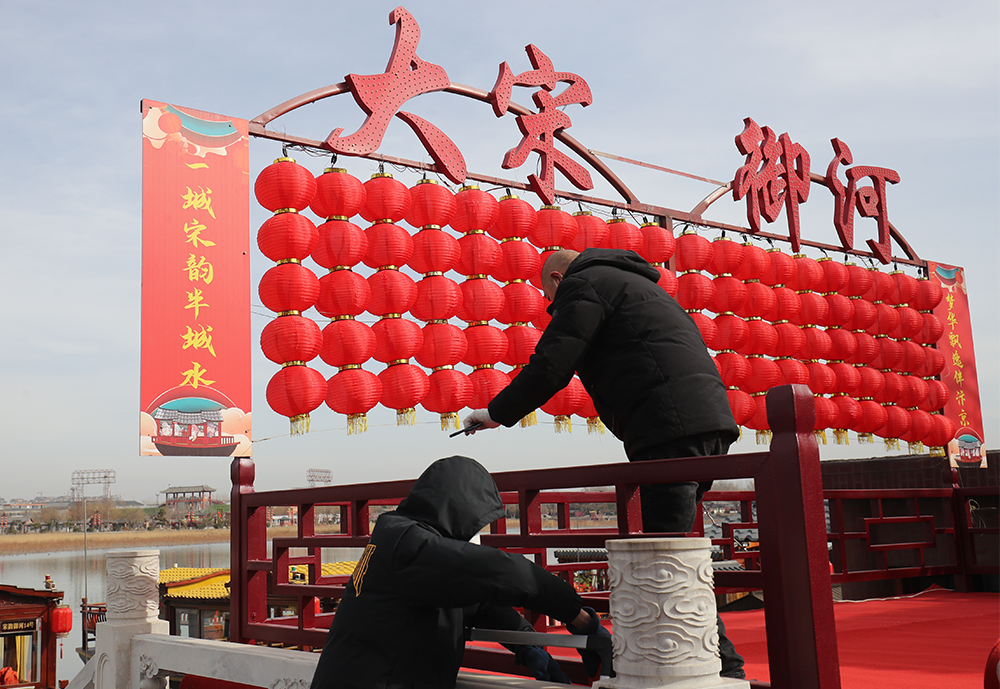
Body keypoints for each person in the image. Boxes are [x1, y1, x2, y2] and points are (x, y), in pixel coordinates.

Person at [462, 247, 745, 678]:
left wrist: (494, 414)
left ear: (558, 278)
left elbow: (553, 363)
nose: (553, 308)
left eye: (550, 300)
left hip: (667, 427)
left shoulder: (585, 283)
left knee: (662, 559)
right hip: (706, 423)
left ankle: (722, 669)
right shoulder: (637, 285)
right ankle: (709, 664)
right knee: (673, 552)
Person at [310, 455, 610, 689]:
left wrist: (528, 645)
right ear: (457, 510)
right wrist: (579, 618)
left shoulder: (399, 541)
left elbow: (477, 600)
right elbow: (507, 572)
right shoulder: (411, 545)